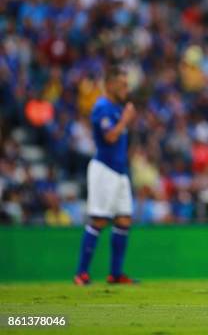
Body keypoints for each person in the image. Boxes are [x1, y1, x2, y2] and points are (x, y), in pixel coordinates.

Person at [74, 66, 137, 285]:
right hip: (104, 169)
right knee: (99, 219)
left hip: (120, 171)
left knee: (123, 219)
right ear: (110, 84)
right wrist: (125, 120)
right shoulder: (102, 107)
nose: (126, 89)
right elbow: (110, 137)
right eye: (122, 85)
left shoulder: (117, 108)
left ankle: (116, 274)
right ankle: (81, 273)